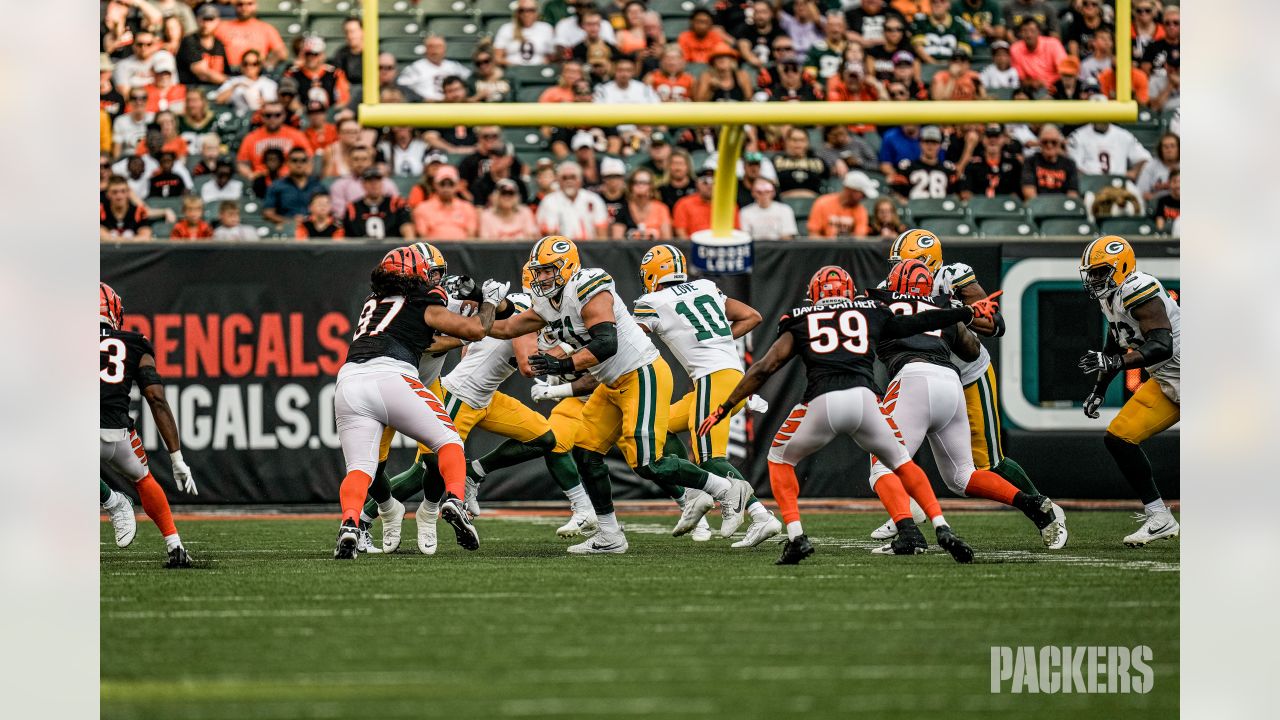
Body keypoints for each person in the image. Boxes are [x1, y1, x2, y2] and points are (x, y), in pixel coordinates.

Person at [700, 265, 998, 563]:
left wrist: (725, 407)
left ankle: (796, 537)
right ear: (850, 292)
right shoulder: (871, 311)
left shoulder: (801, 318)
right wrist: (965, 314)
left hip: (822, 402)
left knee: (779, 459)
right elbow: (918, 322)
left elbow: (766, 367)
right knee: (903, 463)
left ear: (814, 295)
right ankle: (942, 527)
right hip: (866, 401)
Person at [486, 238, 754, 554]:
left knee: (647, 463)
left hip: (641, 373)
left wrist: (563, 363)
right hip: (611, 384)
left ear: (568, 266)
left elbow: (606, 343)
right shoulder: (547, 303)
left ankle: (724, 489)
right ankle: (610, 536)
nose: (541, 278)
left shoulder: (589, 285)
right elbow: (506, 329)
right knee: (585, 452)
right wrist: (485, 305)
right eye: (538, 272)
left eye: (548, 271)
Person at [867, 261, 1068, 551]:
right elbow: (972, 350)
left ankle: (909, 534)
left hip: (912, 379)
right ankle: (1034, 504)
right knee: (962, 477)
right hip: (951, 384)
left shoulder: (881, 304)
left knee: (882, 468)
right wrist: (959, 315)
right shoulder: (943, 308)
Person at [331, 246, 508, 558]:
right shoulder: (423, 299)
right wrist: (490, 300)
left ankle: (349, 523)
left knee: (359, 468)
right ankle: (454, 498)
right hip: (391, 377)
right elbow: (478, 329)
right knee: (449, 440)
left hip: (348, 382)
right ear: (416, 274)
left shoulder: (374, 301)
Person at [630, 245, 779, 546]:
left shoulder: (652, 300)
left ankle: (761, 516)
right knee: (662, 425)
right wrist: (716, 337)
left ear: (653, 274)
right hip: (731, 377)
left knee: (709, 458)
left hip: (714, 380)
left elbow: (628, 341)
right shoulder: (705, 286)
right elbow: (752, 316)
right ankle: (695, 495)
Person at [1077, 236, 1181, 546]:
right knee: (1119, 438)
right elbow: (1115, 342)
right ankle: (1159, 517)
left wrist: (1114, 361)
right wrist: (1100, 389)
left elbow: (1162, 345)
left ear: (1121, 267)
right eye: (1091, 273)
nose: (1094, 278)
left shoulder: (1138, 287)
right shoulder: (1110, 296)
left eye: (1100, 271)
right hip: (1166, 380)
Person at [99, 283, 197, 567]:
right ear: (115, 311)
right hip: (119, 435)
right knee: (143, 478)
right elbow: (155, 398)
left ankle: (112, 500)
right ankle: (175, 545)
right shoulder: (135, 342)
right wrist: (177, 459)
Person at [536, 161, 609, 240]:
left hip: (590, 249)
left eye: (573, 177)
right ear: (558, 180)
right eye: (565, 178)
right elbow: (549, 235)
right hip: (560, 250)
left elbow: (602, 233)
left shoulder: (594, 199)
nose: (569, 181)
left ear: (581, 179)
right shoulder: (549, 201)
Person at [215, 0, 288, 70]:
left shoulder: (266, 28)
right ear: (234, 6)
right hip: (228, 73)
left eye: (249, 4)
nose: (244, 8)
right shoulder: (221, 27)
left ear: (256, 5)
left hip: (255, 73)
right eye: (240, 4)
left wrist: (267, 65)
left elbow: (281, 52)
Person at [344, 168, 415, 239]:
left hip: (392, 248)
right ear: (363, 184)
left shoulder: (396, 203)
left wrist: (408, 244)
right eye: (369, 181)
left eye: (377, 180)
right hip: (361, 249)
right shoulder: (352, 208)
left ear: (382, 183)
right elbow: (347, 236)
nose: (374, 185)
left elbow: (407, 228)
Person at [1067, 121, 1152, 181]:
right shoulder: (1078, 135)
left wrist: (1133, 172)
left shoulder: (1123, 135)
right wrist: (1092, 180)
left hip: (1119, 182)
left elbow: (1144, 158)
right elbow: (1074, 167)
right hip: (1091, 184)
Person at [263, 147, 325, 228]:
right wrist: (290, 221)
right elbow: (268, 213)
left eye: (303, 160)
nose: (299, 164)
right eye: (294, 160)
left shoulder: (318, 186)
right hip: (286, 227)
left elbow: (326, 210)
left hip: (313, 228)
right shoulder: (276, 186)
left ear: (308, 163)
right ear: (287, 163)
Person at [412, 166, 479, 240]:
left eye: (451, 184)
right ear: (435, 185)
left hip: (462, 250)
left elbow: (471, 236)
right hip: (433, 250)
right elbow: (422, 236)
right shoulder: (422, 208)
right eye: (442, 184)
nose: (446, 188)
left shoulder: (467, 208)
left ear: (457, 185)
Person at [283, 36, 351, 110]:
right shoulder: (292, 74)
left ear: (322, 55)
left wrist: (328, 114)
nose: (311, 58)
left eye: (315, 54)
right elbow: (287, 101)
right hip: (301, 117)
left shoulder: (335, 74)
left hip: (330, 117)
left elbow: (343, 100)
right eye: (308, 54)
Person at [398, 36, 471, 102]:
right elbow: (402, 86)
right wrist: (420, 99)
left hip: (452, 106)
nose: (435, 51)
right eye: (431, 46)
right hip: (426, 108)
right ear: (425, 49)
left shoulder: (454, 66)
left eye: (439, 46)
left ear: (445, 49)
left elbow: (470, 81)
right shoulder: (415, 68)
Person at [808, 170, 877, 238]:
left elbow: (860, 238)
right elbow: (813, 235)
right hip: (823, 248)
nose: (863, 198)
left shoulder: (861, 210)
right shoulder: (822, 203)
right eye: (862, 194)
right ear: (851, 190)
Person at [961, 123, 1023, 199]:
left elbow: (1018, 194)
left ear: (1004, 138)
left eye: (996, 136)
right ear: (983, 139)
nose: (992, 140)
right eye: (989, 136)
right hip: (979, 208)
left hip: (1006, 208)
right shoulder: (973, 164)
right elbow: (966, 193)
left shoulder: (1013, 163)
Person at [673, 164, 735, 239]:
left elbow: (736, 231)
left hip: (721, 246)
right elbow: (681, 233)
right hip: (693, 247)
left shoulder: (729, 205)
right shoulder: (684, 204)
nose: (710, 186)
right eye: (705, 182)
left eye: (714, 182)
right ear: (697, 184)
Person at [329, 145, 399, 210]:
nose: (360, 163)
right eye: (356, 159)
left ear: (371, 161)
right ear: (349, 162)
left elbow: (396, 207)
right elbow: (340, 212)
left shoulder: (386, 183)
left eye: (364, 159)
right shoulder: (339, 185)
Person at [609, 169, 671, 240]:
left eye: (644, 183)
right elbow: (616, 241)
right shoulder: (623, 210)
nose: (640, 186)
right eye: (636, 182)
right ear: (631, 186)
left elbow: (667, 239)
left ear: (651, 186)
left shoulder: (661, 209)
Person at [1021, 124, 1079, 198]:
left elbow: (1072, 194)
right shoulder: (1030, 162)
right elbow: (1029, 193)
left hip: (1061, 206)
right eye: (1045, 142)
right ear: (1039, 143)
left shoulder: (1069, 164)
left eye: (1053, 142)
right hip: (1038, 206)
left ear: (1059, 143)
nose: (1049, 145)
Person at [1009, 18, 1066, 93]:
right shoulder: (1015, 49)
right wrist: (1032, 83)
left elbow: (1065, 71)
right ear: (1020, 34)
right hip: (1031, 90)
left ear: (1039, 32)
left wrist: (1045, 83)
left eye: (1032, 31)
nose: (1029, 35)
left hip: (1057, 87)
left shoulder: (1053, 44)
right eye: (1025, 31)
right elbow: (1020, 79)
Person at [177, 4, 229, 86]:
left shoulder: (219, 44)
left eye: (210, 19)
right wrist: (231, 82)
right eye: (203, 19)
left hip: (217, 90)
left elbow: (226, 71)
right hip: (193, 90)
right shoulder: (189, 41)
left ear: (217, 21)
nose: (206, 24)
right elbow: (202, 73)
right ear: (197, 19)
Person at [214, 49, 277, 114]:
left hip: (263, 118)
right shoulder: (234, 81)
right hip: (239, 119)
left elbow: (278, 105)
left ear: (260, 66)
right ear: (241, 65)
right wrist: (235, 87)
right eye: (245, 63)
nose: (249, 67)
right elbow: (218, 100)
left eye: (254, 64)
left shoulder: (270, 84)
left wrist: (266, 103)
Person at [496, 1, 558, 66]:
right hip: (513, 71)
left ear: (537, 12)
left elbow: (552, 56)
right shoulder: (506, 28)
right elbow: (497, 58)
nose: (526, 14)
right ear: (517, 12)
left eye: (531, 10)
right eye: (522, 10)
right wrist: (515, 66)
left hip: (538, 71)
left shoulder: (546, 28)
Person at [773, 128, 828, 198]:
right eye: (794, 140)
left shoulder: (818, 161)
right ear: (786, 142)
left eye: (802, 140)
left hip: (814, 203)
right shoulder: (776, 161)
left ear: (807, 142)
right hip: (783, 205)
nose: (798, 143)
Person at [100, 175, 153, 241]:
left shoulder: (139, 211)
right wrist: (132, 240)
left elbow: (146, 237)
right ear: (107, 194)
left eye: (123, 191)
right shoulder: (101, 211)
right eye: (114, 192)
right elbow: (100, 235)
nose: (119, 196)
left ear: (128, 193)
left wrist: (114, 239)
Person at [593, 56, 660, 103]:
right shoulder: (603, 90)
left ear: (633, 72)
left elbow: (656, 108)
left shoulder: (645, 89)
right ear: (614, 71)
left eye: (628, 70)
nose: (624, 74)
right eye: (620, 70)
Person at [805, 11, 850, 81]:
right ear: (825, 27)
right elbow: (809, 74)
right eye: (831, 25)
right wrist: (815, 84)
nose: (835, 29)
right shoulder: (816, 49)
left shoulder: (852, 49)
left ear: (845, 28)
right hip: (823, 89)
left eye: (839, 25)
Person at [1137, 132, 1178, 202]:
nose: (1169, 150)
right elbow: (1141, 192)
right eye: (1165, 147)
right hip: (1157, 206)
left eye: (1172, 146)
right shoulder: (1151, 166)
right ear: (1160, 149)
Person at [329, 17, 365, 89]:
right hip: (348, 92)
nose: (349, 35)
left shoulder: (374, 53)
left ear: (363, 31)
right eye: (346, 32)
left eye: (353, 31)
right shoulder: (341, 54)